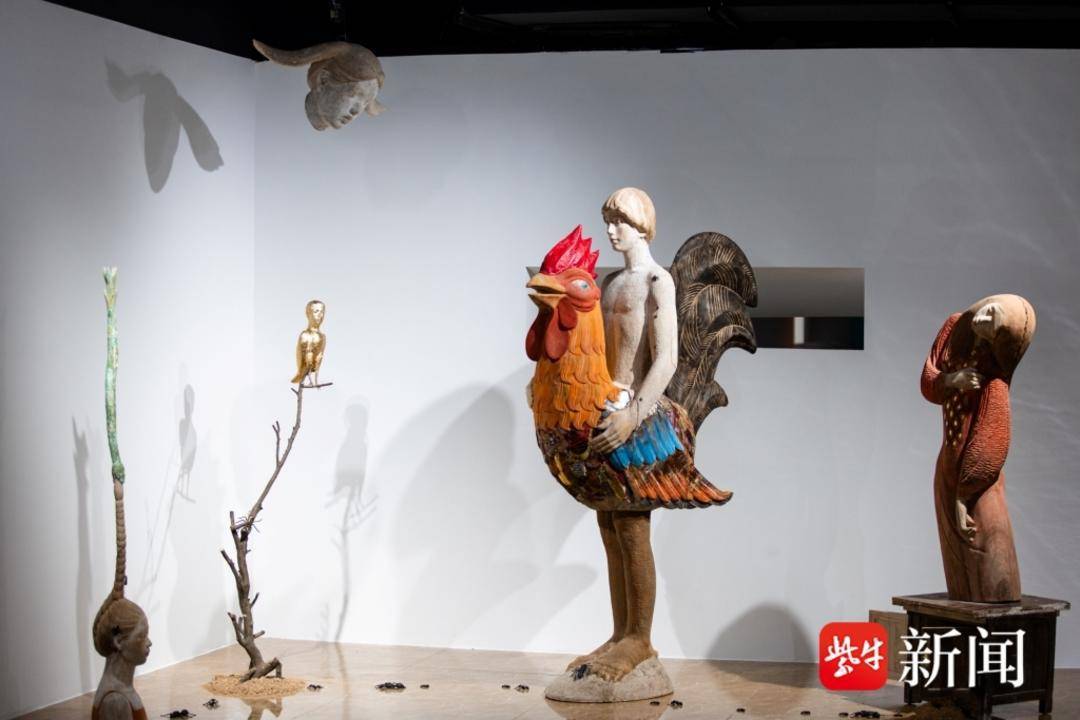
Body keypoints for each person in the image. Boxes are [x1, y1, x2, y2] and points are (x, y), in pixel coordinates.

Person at [920, 294, 1036, 602]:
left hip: (976, 480)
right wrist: (951, 380)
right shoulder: (954, 327)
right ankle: (963, 618)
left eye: (992, 325)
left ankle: (994, 622)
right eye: (989, 312)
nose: (981, 320)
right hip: (948, 464)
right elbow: (928, 382)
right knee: (957, 565)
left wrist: (965, 494)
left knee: (988, 557)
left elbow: (991, 441)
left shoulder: (995, 378)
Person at [92, 598, 152, 720]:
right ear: (119, 642)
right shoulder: (115, 700)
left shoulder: (121, 693)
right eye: (141, 636)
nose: (149, 643)